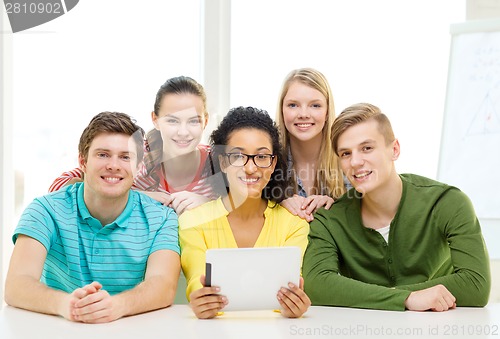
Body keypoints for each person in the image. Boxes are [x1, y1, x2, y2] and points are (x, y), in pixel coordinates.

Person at [303, 103, 491, 311]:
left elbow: (476, 284)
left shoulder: (448, 202)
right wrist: (407, 298)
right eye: (346, 154)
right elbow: (317, 285)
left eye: (367, 148)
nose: (355, 162)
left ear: (394, 149)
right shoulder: (329, 219)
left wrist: (383, 296)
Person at [5, 112, 181, 323]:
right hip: (55, 328)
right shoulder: (44, 210)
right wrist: (66, 304)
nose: (114, 165)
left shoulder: (161, 218)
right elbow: (16, 284)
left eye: (125, 157)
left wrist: (115, 306)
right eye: (103, 154)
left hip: (126, 329)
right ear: (83, 162)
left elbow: (163, 285)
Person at [179, 106, 311, 319]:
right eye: (238, 156)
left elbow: (292, 286)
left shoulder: (294, 225)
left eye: (261, 157)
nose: (250, 168)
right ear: (222, 162)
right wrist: (200, 297)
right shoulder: (192, 222)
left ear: (273, 163)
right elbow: (197, 277)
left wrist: (293, 304)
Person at [48, 76, 214, 215]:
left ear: (205, 121)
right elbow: (60, 186)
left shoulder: (218, 163)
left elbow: (238, 207)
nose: (183, 132)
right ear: (155, 120)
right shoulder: (134, 154)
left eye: (193, 121)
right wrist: (133, 196)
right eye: (172, 120)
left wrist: (212, 205)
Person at [276, 68, 346, 222]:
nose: (303, 114)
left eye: (315, 105)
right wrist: (276, 207)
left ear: (327, 111)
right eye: (293, 105)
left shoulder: (347, 158)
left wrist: (336, 207)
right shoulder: (267, 162)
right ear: (282, 110)